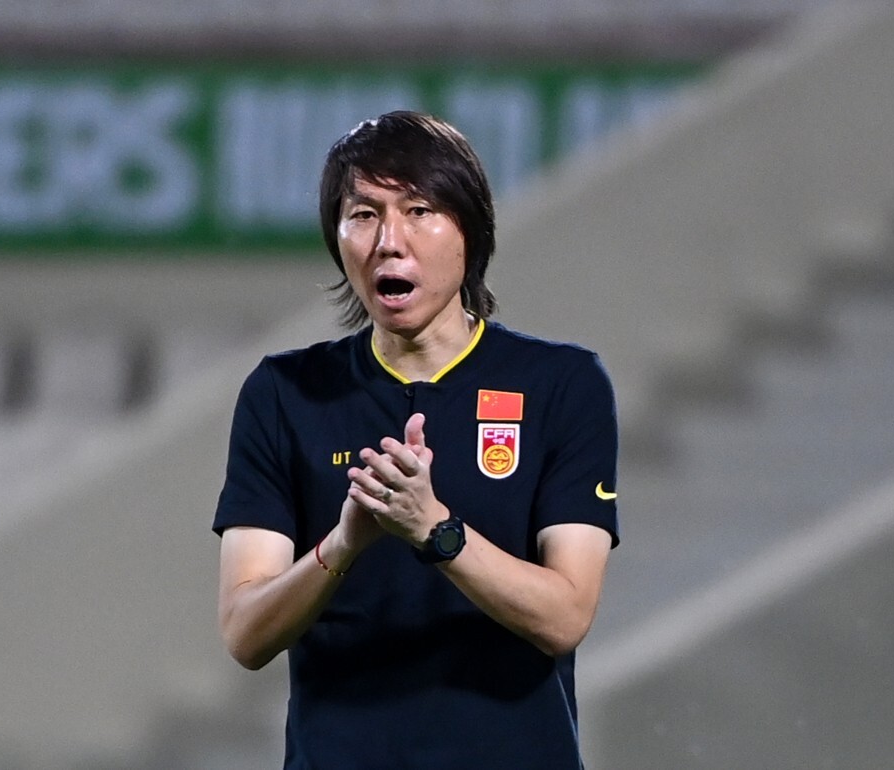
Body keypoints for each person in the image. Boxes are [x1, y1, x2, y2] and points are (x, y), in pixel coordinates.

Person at [213, 110, 620, 769]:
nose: (388, 241)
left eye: (419, 209)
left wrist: (434, 529)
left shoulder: (560, 385)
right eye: (364, 214)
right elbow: (245, 632)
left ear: (471, 230)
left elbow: (565, 615)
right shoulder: (286, 392)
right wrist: (344, 543)